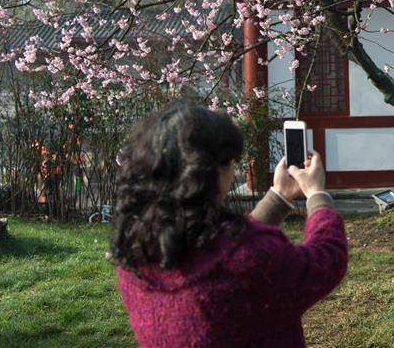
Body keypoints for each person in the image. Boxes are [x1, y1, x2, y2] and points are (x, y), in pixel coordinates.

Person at [112, 101, 347, 347]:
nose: (234, 168)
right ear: (210, 172)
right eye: (230, 161)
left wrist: (279, 197)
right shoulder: (250, 261)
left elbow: (220, 253)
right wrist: (317, 195)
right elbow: (327, 261)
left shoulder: (136, 253)